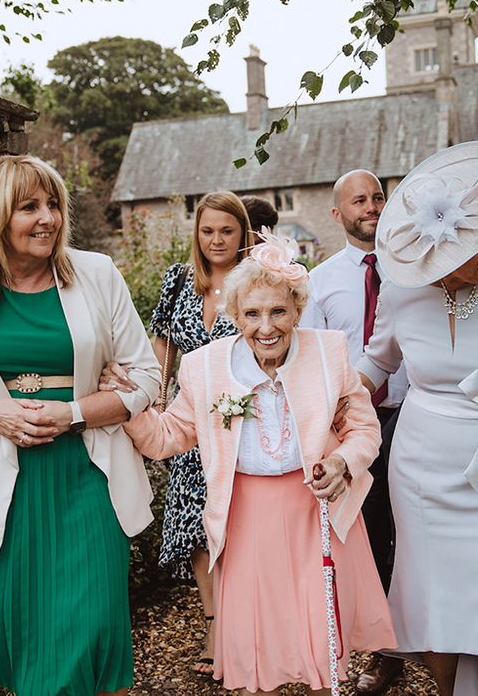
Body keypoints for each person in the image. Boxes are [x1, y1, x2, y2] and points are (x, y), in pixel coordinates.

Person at [0, 154, 161, 696]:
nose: (47, 217)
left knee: (91, 634)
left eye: (53, 204)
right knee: (23, 645)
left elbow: (147, 379)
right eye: (29, 207)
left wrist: (73, 412)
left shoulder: (96, 274)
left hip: (87, 483)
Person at [119, 230, 397, 695]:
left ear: (296, 312)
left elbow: (365, 429)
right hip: (244, 513)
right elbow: (167, 436)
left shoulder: (328, 354)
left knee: (319, 639)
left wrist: (343, 463)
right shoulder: (204, 368)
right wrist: (126, 404)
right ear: (235, 316)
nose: (266, 327)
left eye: (277, 312)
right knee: (256, 641)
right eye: (252, 314)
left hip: (315, 511)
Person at [106, 191, 253, 676]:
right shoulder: (178, 280)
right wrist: (151, 397)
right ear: (197, 232)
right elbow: (161, 345)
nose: (216, 240)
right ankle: (214, 625)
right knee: (195, 531)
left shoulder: (255, 280)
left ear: (242, 233)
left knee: (236, 527)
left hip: (241, 424)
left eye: (226, 231)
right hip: (189, 424)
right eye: (207, 230)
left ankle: (247, 626)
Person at [357, 141, 478, 696]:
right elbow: (377, 358)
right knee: (430, 590)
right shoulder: (402, 288)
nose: (446, 276)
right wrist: (328, 400)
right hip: (421, 461)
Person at [301, 169, 409, 693]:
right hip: (356, 430)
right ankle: (386, 650)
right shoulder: (318, 282)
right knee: (373, 536)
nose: (371, 206)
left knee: (419, 532)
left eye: (378, 197)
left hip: (417, 416)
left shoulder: (418, 271)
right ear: (337, 214)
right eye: (359, 200)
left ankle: (436, 633)